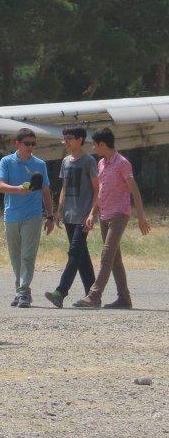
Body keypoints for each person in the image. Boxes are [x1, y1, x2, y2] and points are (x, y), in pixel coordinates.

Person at [73, 128, 149, 309]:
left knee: (107, 256)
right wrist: (92, 214)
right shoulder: (101, 164)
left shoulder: (123, 163)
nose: (93, 147)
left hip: (119, 215)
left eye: (94, 144)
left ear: (102, 144)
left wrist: (141, 217)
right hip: (105, 215)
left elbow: (135, 191)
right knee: (115, 260)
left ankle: (94, 296)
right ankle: (124, 299)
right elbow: (101, 193)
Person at [0, 128, 54, 307]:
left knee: (28, 256)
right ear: (18, 144)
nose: (30, 147)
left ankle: (24, 293)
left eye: (33, 144)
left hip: (33, 216)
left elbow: (45, 191)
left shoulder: (40, 164)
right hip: (11, 215)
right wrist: (19, 189)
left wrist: (50, 216)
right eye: (27, 143)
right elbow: (1, 186)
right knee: (16, 257)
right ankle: (20, 290)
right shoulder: (6, 161)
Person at [44, 125, 99, 308]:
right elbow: (65, 188)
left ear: (80, 139)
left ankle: (60, 292)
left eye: (69, 138)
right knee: (81, 255)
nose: (66, 142)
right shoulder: (66, 161)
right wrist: (59, 210)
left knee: (74, 252)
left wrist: (92, 214)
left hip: (84, 216)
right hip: (69, 215)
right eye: (64, 138)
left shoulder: (89, 161)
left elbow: (97, 190)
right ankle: (92, 295)